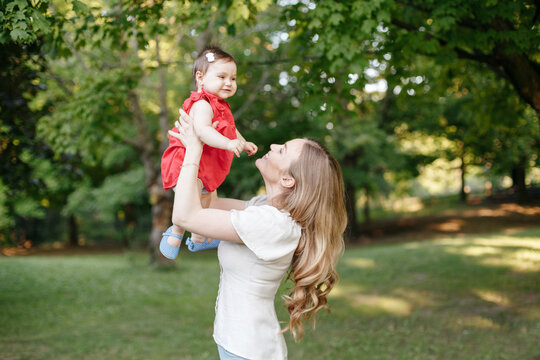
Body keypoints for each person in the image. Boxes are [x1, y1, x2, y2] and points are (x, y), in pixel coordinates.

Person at [169, 109, 347, 360]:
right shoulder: (263, 208)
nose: (273, 145)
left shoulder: (273, 224)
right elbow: (207, 204)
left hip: (249, 351)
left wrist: (193, 151)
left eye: (282, 150)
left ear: (287, 179)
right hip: (238, 344)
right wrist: (210, 144)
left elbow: (185, 217)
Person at [160, 46, 257, 259]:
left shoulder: (222, 106)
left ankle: (198, 237)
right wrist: (229, 144)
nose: (229, 83)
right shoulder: (202, 104)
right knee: (191, 197)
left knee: (206, 199)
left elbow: (231, 128)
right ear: (200, 78)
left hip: (206, 163)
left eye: (233, 78)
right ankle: (175, 232)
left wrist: (242, 141)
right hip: (187, 161)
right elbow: (203, 132)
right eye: (222, 76)